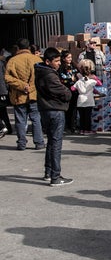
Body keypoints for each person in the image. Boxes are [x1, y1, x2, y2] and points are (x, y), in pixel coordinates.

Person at [35, 47, 73, 186]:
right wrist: (68, 92)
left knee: (51, 142)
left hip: (47, 109)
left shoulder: (42, 71)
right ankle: (55, 176)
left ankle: (48, 172)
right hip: (54, 110)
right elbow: (64, 92)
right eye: (56, 61)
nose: (58, 63)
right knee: (56, 143)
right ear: (47, 61)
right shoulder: (49, 75)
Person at [4, 38, 44, 150]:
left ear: (18, 47)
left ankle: (21, 143)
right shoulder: (36, 59)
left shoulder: (12, 60)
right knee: (36, 118)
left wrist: (22, 86)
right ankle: (39, 142)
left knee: (21, 119)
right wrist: (30, 87)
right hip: (34, 94)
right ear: (29, 47)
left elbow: (7, 77)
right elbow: (41, 76)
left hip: (18, 95)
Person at [73, 61, 99, 135]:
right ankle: (87, 129)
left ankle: (82, 129)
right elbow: (99, 83)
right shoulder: (92, 80)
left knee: (82, 116)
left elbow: (72, 88)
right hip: (89, 99)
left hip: (80, 99)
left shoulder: (78, 79)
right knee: (88, 116)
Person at [58, 50, 79, 134]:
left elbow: (78, 75)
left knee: (74, 109)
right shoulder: (61, 68)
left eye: (71, 57)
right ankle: (66, 125)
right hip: (65, 90)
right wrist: (69, 79)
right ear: (63, 58)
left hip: (74, 90)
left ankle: (72, 126)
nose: (70, 59)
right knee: (66, 109)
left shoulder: (74, 66)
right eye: (68, 57)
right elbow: (61, 79)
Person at [0, 56, 11, 137]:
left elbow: (3, 78)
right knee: (3, 111)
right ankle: (7, 127)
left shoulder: (1, 63)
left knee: (3, 110)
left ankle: (2, 127)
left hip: (1, 90)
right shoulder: (2, 63)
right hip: (2, 90)